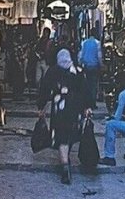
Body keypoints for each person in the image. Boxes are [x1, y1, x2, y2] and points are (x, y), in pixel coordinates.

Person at [37, 48, 91, 185]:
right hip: (75, 108)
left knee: (61, 137)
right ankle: (66, 158)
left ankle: (65, 166)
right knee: (70, 135)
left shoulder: (53, 71)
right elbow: (85, 90)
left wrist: (41, 106)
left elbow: (44, 89)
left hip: (59, 108)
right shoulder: (78, 71)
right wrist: (87, 106)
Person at [78, 28, 103, 108]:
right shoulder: (97, 43)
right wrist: (101, 65)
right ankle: (92, 103)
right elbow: (99, 56)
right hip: (94, 66)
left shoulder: (84, 42)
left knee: (87, 84)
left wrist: (80, 64)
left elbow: (80, 55)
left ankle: (87, 103)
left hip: (86, 66)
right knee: (93, 85)